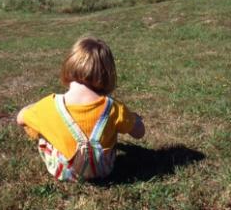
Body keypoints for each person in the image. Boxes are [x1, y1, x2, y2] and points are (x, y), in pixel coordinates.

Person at [16, 36, 145, 181]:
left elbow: (20, 119)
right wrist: (135, 119)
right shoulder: (114, 108)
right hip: (103, 170)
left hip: (62, 170)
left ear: (69, 66)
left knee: (44, 127)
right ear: (107, 74)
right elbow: (140, 133)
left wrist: (31, 108)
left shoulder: (47, 106)